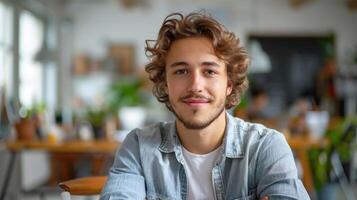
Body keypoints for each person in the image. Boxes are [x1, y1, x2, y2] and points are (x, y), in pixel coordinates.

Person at [100, 12, 310, 200]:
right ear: (166, 83)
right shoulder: (138, 147)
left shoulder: (266, 147)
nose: (195, 85)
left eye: (209, 71)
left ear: (229, 84)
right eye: (181, 71)